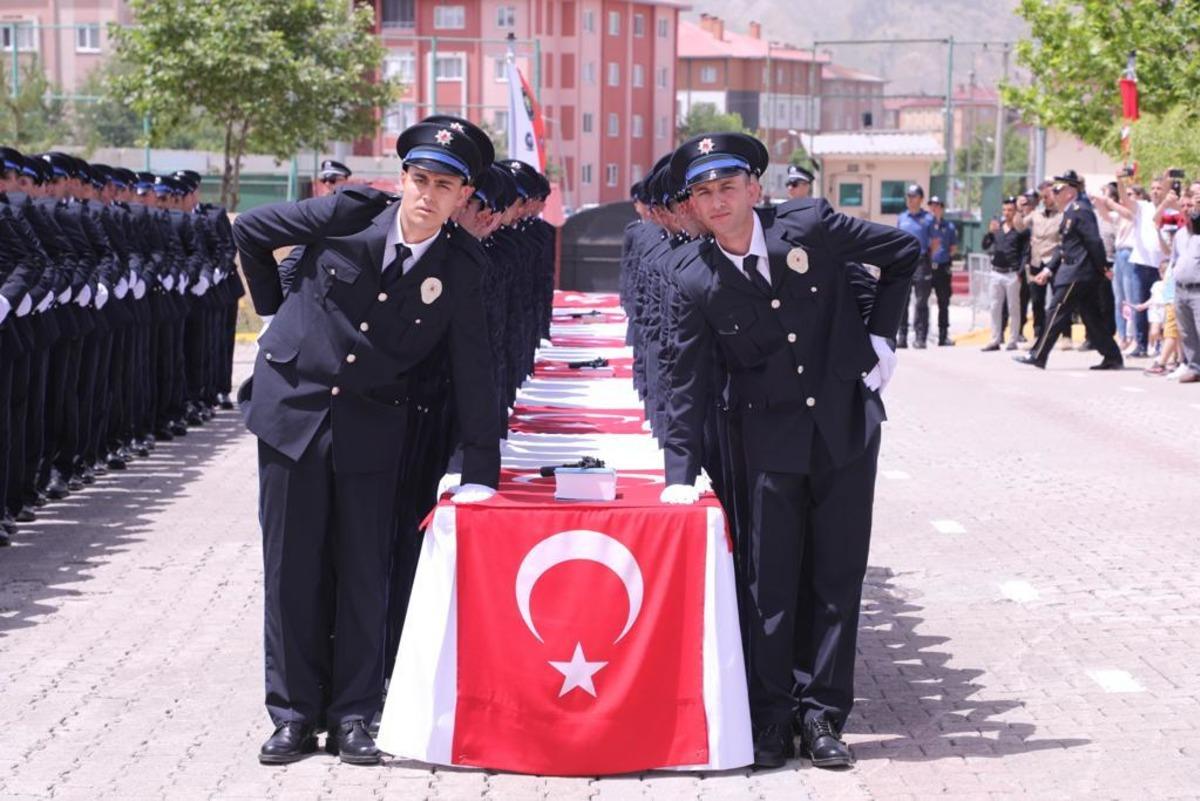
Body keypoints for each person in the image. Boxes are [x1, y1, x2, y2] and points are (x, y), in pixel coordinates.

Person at [232, 121, 502, 766]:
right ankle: (293, 714)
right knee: (291, 569)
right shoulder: (349, 214)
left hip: (374, 423)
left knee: (363, 572)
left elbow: (475, 369)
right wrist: (278, 314)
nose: (427, 196)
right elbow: (250, 229)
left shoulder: (462, 267)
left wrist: (479, 465)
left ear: (464, 195)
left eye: (444, 185)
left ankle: (355, 712)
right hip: (292, 410)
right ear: (402, 176)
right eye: (418, 179)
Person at [658, 131, 918, 769]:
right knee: (768, 582)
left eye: (728, 187)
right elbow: (686, 380)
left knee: (836, 579)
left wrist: (882, 340)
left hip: (844, 429)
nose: (717, 202)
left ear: (754, 188)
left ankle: (824, 716)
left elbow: (903, 251)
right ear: (692, 205)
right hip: (768, 441)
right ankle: (772, 718)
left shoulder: (809, 226)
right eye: (704, 193)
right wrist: (680, 472)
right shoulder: (692, 276)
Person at [1015, 170, 1124, 370]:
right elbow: (1065, 247)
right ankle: (1112, 356)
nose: (1054, 194)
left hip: (1078, 272)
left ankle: (1038, 355)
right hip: (1076, 271)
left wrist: (1103, 267)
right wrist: (1049, 269)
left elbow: (1093, 241)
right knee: (1091, 318)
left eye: (1058, 190)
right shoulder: (1070, 212)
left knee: (1055, 311)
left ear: (1070, 191)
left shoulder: (1080, 210)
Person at [1014, 181, 1061, 344]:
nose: (1045, 199)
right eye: (1043, 196)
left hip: (1054, 260)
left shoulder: (1061, 214)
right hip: (1037, 260)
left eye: (1048, 195)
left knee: (1059, 298)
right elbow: (1019, 227)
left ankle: (1065, 334)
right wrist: (1019, 210)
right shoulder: (1036, 214)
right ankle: (1038, 333)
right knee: (1037, 301)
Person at [981, 197, 1030, 351]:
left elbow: (1025, 253)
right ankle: (995, 339)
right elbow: (985, 245)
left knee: (1013, 308)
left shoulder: (1021, 231)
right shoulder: (998, 229)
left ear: (1015, 211)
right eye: (1004, 210)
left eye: (1010, 210)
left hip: (1012, 274)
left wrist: (1020, 273)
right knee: (995, 307)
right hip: (996, 272)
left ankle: (1013, 340)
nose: (1007, 213)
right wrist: (989, 233)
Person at [894, 184, 935, 348]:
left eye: (913, 196)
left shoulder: (929, 218)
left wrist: (928, 260)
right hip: (904, 262)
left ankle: (920, 337)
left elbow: (936, 243)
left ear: (921, 199)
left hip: (921, 262)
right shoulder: (902, 217)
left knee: (921, 302)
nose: (910, 200)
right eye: (908, 196)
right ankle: (902, 336)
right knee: (902, 301)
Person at [1170, 180, 1200, 383]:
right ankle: (1195, 367)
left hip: (1198, 290)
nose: (1187, 210)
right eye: (1184, 207)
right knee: (1187, 333)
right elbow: (1174, 261)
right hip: (1181, 290)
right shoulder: (1180, 235)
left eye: (1191, 206)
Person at [928, 195, 957, 345]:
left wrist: (944, 257)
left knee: (943, 302)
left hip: (942, 268)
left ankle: (943, 335)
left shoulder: (949, 226)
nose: (934, 208)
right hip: (927, 267)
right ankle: (922, 335)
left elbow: (953, 248)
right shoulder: (926, 225)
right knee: (922, 302)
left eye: (937, 205)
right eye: (932, 205)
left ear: (942, 208)